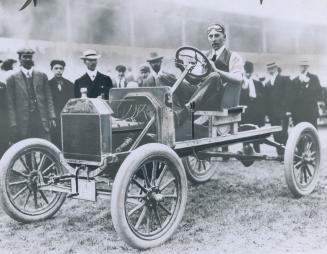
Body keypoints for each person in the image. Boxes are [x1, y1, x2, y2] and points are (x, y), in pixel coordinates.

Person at [185, 23, 244, 111]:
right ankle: (175, 111)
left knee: (214, 76)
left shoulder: (233, 56)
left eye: (217, 36)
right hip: (199, 94)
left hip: (218, 99)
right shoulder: (203, 56)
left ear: (224, 37)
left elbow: (239, 78)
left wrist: (217, 70)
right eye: (210, 36)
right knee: (165, 77)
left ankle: (189, 109)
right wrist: (182, 68)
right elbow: (195, 80)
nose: (213, 39)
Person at [6, 48, 56, 142]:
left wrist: (52, 117)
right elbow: (10, 104)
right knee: (26, 147)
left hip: (41, 119)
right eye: (25, 57)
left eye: (30, 57)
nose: (28, 59)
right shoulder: (12, 79)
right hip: (23, 121)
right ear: (20, 59)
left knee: (44, 145)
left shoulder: (42, 76)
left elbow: (49, 98)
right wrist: (13, 123)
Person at [264, 62, 291, 155]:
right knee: (275, 134)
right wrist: (267, 113)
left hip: (283, 112)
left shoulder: (285, 79)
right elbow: (267, 100)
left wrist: (287, 110)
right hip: (272, 113)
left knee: (284, 133)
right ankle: (280, 154)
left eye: (272, 68)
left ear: (276, 68)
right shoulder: (267, 83)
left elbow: (288, 95)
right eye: (268, 69)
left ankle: (286, 154)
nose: (270, 70)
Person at [240, 61, 265, 152]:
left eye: (250, 72)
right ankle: (246, 149)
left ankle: (257, 148)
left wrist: (257, 96)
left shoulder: (256, 83)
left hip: (255, 110)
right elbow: (239, 98)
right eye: (247, 72)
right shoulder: (241, 83)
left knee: (255, 129)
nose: (248, 74)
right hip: (245, 110)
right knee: (245, 129)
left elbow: (262, 96)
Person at [48, 59, 74, 147]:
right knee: (54, 142)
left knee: (67, 141)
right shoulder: (47, 85)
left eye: (61, 68)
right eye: (56, 68)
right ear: (51, 69)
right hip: (54, 120)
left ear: (63, 70)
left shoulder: (70, 84)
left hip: (67, 119)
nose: (58, 70)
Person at [291, 60, 321, 128]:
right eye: (301, 66)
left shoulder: (314, 78)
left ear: (307, 67)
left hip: (310, 112)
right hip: (298, 113)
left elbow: (318, 94)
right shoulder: (294, 80)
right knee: (299, 132)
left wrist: (307, 87)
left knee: (312, 131)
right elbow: (292, 97)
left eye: (304, 66)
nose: (302, 68)